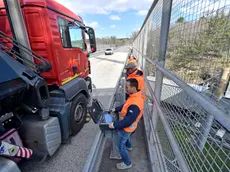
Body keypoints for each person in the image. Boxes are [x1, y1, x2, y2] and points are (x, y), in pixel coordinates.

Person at [109, 78, 144, 170]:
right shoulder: (134, 96)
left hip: (127, 128)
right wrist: (116, 109)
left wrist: (115, 125)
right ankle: (129, 146)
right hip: (129, 128)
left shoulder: (135, 104)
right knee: (126, 138)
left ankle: (127, 163)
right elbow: (125, 105)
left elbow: (128, 121)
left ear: (133, 87)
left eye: (127, 87)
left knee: (121, 146)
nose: (125, 89)